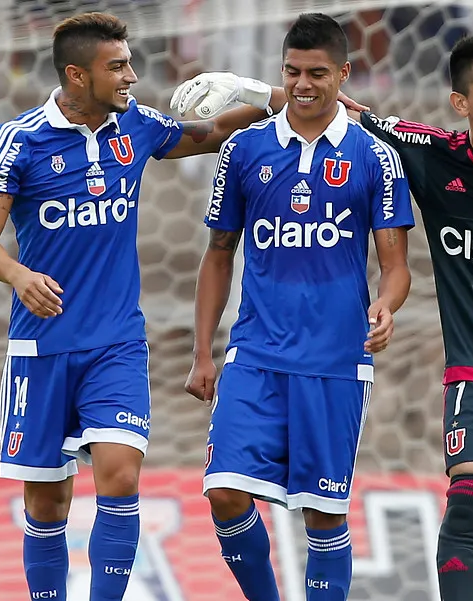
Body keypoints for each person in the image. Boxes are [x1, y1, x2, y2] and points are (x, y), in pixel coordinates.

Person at [172, 32, 473, 601]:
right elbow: (342, 111)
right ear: (462, 104)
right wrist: (267, 95)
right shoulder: (428, 155)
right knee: (468, 501)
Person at [0, 12, 306, 601]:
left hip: (117, 344)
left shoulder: (139, 128)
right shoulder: (18, 142)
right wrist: (18, 274)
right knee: (47, 499)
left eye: (130, 61)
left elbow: (211, 134)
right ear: (77, 76)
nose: (132, 74)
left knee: (121, 476)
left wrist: (262, 94)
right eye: (117, 66)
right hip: (41, 348)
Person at [182, 13, 413, 601]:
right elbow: (218, 253)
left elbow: (395, 266)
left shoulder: (374, 157)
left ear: (344, 73)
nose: (303, 84)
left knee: (323, 515)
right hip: (255, 352)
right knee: (225, 491)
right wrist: (202, 352)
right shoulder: (244, 149)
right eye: (292, 72)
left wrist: (385, 306)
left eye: (317, 73)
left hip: (335, 360)